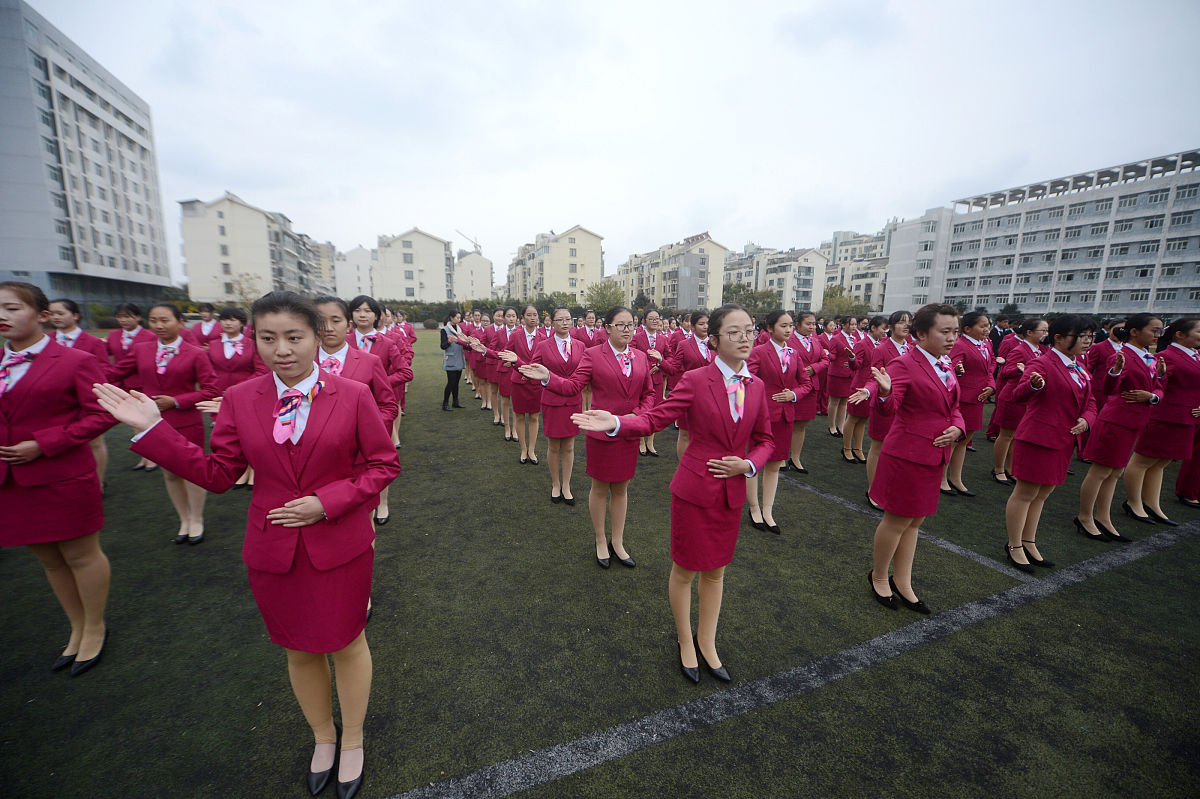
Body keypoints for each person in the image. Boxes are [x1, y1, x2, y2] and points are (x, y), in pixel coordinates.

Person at [96, 291, 399, 799]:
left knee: (347, 643)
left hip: (340, 543)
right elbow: (218, 475)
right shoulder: (241, 399)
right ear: (254, 339)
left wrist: (326, 502)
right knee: (298, 650)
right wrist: (152, 428)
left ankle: (353, 739)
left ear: (318, 334)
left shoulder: (353, 394)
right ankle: (323, 737)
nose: (282, 349)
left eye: (294, 337)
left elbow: (383, 466)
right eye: (268, 338)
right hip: (272, 548)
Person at [571, 304, 773, 684]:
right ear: (712, 340)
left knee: (716, 573)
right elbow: (657, 417)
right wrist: (616, 421)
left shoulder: (756, 385)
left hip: (731, 494)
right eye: (734, 332)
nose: (745, 337)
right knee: (686, 571)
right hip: (695, 490)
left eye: (749, 330)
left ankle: (707, 641)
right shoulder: (697, 380)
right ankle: (685, 641)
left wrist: (748, 467)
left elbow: (764, 439)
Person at [1, 281, 117, 676]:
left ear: (42, 315)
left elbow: (103, 414)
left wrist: (44, 443)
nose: (3, 316)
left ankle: (95, 626)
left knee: (81, 555)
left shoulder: (73, 360)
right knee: (50, 562)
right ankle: (76, 625)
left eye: (12, 308)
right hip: (11, 482)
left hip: (62, 475)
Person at [519, 306, 656, 569]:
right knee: (601, 488)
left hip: (628, 432)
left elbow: (648, 393)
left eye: (631, 325)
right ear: (607, 328)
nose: (627, 330)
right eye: (621, 325)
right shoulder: (593, 354)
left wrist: (635, 417)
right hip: (601, 434)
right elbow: (572, 386)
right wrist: (548, 377)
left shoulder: (640, 357)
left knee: (621, 488)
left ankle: (618, 541)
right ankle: (600, 540)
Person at [866, 304, 964, 615]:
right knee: (897, 520)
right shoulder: (905, 363)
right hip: (907, 455)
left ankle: (903, 579)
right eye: (944, 332)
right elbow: (890, 405)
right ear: (921, 334)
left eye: (955, 332)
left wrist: (958, 427)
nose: (951, 338)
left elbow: (953, 406)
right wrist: (883, 393)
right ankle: (880, 575)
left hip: (934, 455)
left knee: (915, 521)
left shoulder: (943, 363)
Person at [109, 303, 219, 544]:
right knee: (169, 475)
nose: (158, 325)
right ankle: (184, 519)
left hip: (187, 422)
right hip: (153, 423)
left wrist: (176, 401)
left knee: (193, 473)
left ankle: (197, 519)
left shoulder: (196, 353)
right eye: (153, 320)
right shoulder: (140, 349)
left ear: (180, 322)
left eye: (165, 320)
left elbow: (211, 389)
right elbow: (114, 372)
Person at [1004, 316, 1098, 571]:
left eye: (1090, 335)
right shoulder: (1042, 362)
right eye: (1082, 335)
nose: (1087, 341)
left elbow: (1091, 403)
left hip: (1063, 440)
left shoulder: (1080, 366)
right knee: (1026, 493)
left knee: (1043, 493)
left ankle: (1028, 540)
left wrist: (1087, 421)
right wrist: (1034, 386)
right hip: (1039, 438)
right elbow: (1018, 394)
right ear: (1058, 338)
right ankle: (1014, 545)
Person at [1077, 313, 1165, 541]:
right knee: (1101, 471)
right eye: (1154, 330)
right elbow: (1109, 388)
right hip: (1116, 420)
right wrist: (1115, 371)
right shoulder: (1121, 355)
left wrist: (1152, 396)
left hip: (1135, 420)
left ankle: (1103, 517)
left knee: (1115, 472)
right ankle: (1085, 517)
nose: (1158, 335)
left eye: (1159, 331)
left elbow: (1159, 387)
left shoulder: (1150, 357)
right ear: (1134, 331)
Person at [746, 310, 811, 534]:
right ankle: (754, 508)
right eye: (783, 325)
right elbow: (748, 380)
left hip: (785, 416)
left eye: (791, 325)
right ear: (770, 328)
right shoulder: (759, 351)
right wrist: (762, 398)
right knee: (755, 464)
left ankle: (768, 510)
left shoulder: (794, 353)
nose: (788, 329)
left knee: (775, 465)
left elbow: (806, 382)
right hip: (761, 416)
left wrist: (793, 395)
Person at [49, 298, 111, 490]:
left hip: (84, 398)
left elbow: (104, 371)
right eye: (52, 313)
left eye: (61, 313)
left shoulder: (92, 342)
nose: (56, 317)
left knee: (94, 442)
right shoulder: (46, 341)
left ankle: (98, 482)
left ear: (75, 315)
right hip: (54, 401)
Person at [532, 307, 584, 504]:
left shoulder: (580, 346)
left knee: (569, 446)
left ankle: (566, 485)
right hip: (552, 401)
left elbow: (586, 371)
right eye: (560, 319)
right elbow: (534, 369)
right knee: (554, 446)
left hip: (573, 401)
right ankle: (555, 484)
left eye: (568, 319)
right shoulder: (543, 345)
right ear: (552, 322)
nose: (565, 322)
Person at [861, 310, 912, 505]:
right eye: (901, 322)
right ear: (890, 327)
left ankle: (890, 485)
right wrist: (867, 391)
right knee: (878, 446)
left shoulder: (913, 349)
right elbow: (873, 377)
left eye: (908, 322)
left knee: (898, 447)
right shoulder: (881, 349)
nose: (906, 326)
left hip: (905, 405)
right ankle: (873, 490)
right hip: (883, 402)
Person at [943, 311, 995, 496]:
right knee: (954, 440)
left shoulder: (985, 344)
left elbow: (990, 367)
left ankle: (956, 478)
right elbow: (951, 367)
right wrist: (958, 369)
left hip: (978, 398)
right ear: (967, 328)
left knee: (964, 440)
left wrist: (991, 385)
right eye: (982, 326)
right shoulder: (960, 344)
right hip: (963, 398)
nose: (987, 329)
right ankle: (941, 478)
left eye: (988, 325)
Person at [991, 317, 1048, 485]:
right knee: (1006, 435)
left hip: (1028, 398)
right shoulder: (1020, 349)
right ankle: (999, 469)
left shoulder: (1040, 350)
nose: (1046, 334)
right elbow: (1005, 372)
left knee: (1016, 436)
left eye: (1047, 330)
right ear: (1029, 332)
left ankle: (1010, 468)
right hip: (1012, 397)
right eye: (1043, 330)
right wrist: (1018, 369)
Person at [106, 302, 158, 472]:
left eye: (127, 316)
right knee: (133, 422)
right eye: (120, 316)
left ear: (138, 317)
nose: (123, 320)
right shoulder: (113, 336)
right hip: (122, 385)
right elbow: (106, 356)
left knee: (146, 421)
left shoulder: (150, 336)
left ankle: (152, 456)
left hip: (143, 384)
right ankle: (145, 455)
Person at [660, 310, 712, 460]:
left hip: (711, 395)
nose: (705, 327)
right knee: (685, 433)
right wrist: (660, 361)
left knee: (708, 432)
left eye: (707, 323)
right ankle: (684, 466)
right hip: (690, 394)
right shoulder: (684, 344)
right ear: (693, 326)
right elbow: (674, 369)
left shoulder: (716, 343)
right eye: (701, 324)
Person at [496, 305, 544, 464]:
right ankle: (523, 449)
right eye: (529, 315)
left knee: (535, 417)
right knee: (519, 416)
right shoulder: (516, 335)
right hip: (518, 382)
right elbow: (506, 354)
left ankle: (532, 450)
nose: (533, 318)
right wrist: (512, 365)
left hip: (536, 383)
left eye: (535, 315)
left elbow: (546, 360)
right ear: (522, 318)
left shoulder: (544, 337)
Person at [784, 311, 827, 473]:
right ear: (798, 325)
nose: (812, 327)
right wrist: (801, 370)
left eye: (814, 324)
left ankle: (795, 458)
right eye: (808, 323)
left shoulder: (815, 340)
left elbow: (825, 359)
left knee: (802, 424)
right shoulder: (789, 340)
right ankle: (781, 457)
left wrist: (813, 369)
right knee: (787, 423)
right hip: (792, 387)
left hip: (811, 388)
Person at [841, 315, 887, 464]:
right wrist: (853, 358)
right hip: (860, 385)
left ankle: (858, 449)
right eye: (882, 329)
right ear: (873, 328)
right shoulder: (862, 343)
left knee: (863, 419)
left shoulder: (881, 344)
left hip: (873, 386)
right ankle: (847, 448)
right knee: (853, 418)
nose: (884, 332)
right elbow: (856, 366)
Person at [630, 309, 668, 456]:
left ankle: (650, 442)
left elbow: (669, 358)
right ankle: (640, 441)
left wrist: (659, 365)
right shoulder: (637, 337)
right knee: (641, 410)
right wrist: (645, 368)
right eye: (651, 318)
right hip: (641, 381)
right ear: (644, 321)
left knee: (655, 412)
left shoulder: (663, 339)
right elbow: (630, 355)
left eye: (657, 318)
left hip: (657, 381)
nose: (655, 321)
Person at [439, 311, 468, 411]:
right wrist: (448, 342)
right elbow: (443, 346)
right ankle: (445, 403)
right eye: (457, 317)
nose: (459, 320)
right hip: (450, 359)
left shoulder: (459, 329)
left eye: (460, 318)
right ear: (451, 318)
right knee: (451, 382)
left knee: (456, 383)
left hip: (459, 358)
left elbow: (464, 344)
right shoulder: (444, 330)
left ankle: (455, 402)